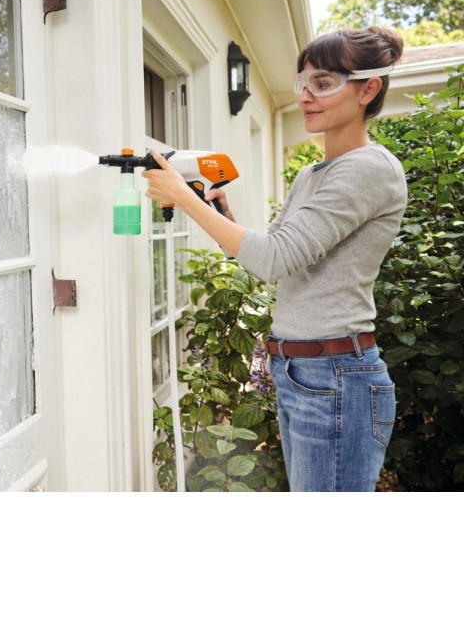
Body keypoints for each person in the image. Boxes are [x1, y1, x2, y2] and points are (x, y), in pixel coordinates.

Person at [142, 27, 407, 492]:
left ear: (368, 89)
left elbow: (273, 260)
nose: (304, 96)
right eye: (302, 83)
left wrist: (184, 198)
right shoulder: (313, 174)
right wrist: (220, 215)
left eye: (323, 83)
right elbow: (274, 257)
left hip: (335, 376)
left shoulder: (369, 169)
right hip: (301, 372)